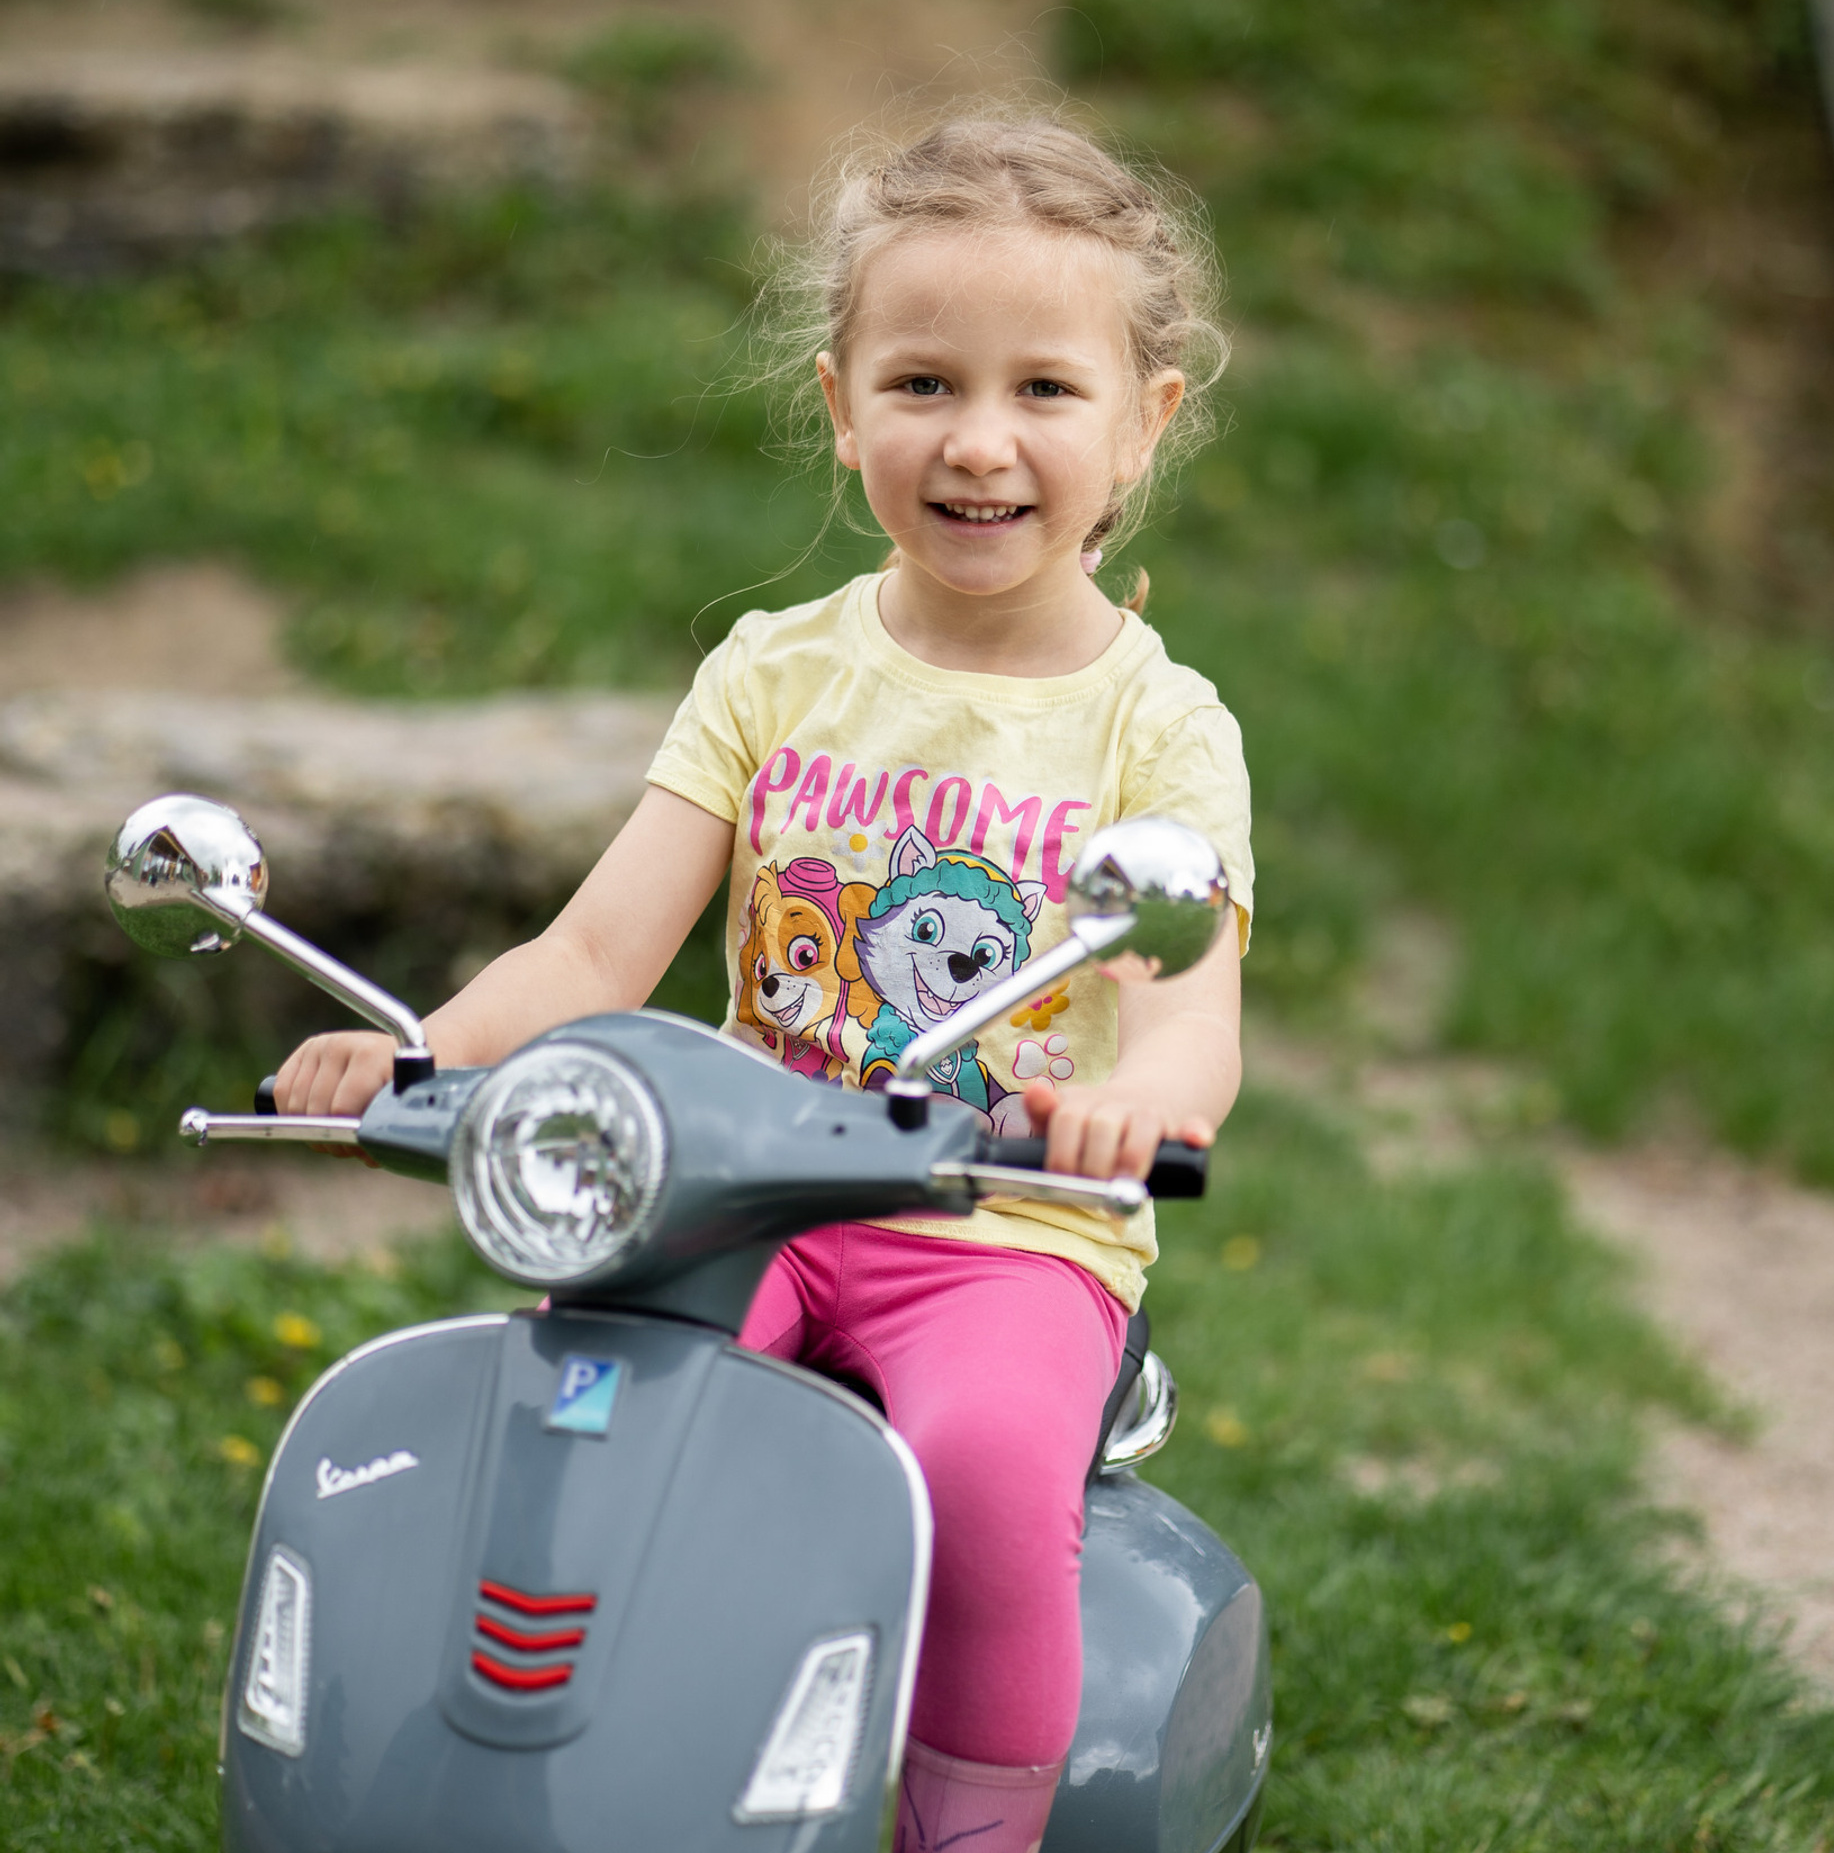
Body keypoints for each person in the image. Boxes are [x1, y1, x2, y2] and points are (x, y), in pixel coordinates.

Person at [274, 111, 1254, 1853]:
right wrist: (415, 1051)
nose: (978, 442)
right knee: (585, 1418)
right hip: (742, 1194)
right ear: (839, 400)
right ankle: (568, 1789)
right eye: (923, 383)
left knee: (974, 1467)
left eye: (1044, 390)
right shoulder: (773, 672)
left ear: (1143, 427)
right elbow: (594, 951)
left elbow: (1188, 1012)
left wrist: (1131, 1108)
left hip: (1004, 1227)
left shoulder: (1156, 726)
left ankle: (970, 1826)